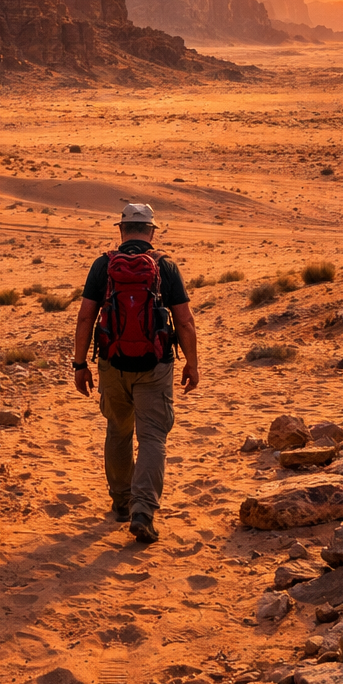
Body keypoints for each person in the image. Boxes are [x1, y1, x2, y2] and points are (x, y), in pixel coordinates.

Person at [71, 201, 199, 543]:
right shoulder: (165, 266)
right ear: (152, 232)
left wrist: (79, 364)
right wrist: (192, 362)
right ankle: (143, 511)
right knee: (153, 437)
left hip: (112, 364)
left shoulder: (103, 265)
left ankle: (122, 502)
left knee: (118, 429)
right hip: (155, 366)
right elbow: (184, 320)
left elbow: (86, 316)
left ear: (121, 230)